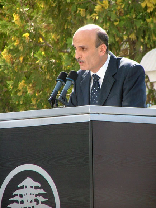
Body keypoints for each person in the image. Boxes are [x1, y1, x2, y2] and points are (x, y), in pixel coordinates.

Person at [67, 24, 146, 107]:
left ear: (102, 49)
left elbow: (131, 118)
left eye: (83, 49)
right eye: (75, 48)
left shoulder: (130, 72)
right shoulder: (79, 77)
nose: (77, 56)